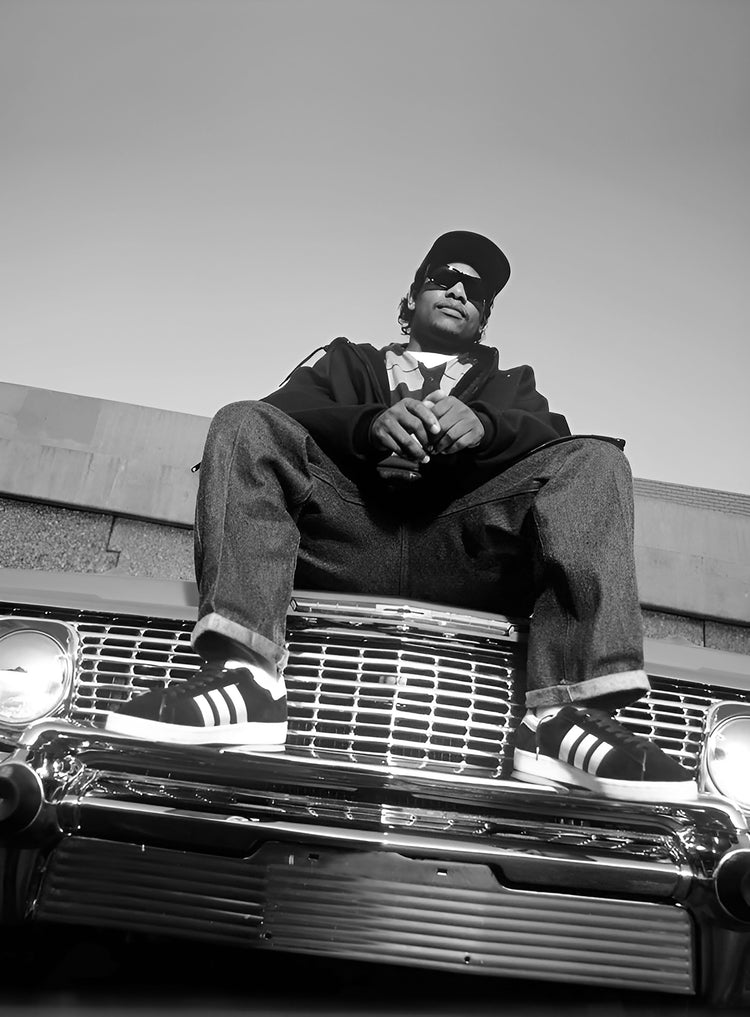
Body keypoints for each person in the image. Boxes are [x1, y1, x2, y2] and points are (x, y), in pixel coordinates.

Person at [105, 230, 697, 803]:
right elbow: (282, 413)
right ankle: (248, 680)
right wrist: (366, 427)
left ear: (484, 318)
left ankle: (562, 718)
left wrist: (487, 429)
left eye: (478, 293)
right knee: (243, 420)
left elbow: (551, 437)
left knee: (597, 459)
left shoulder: (513, 385)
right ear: (409, 300)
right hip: (347, 537)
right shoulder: (345, 361)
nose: (461, 292)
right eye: (446, 279)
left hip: (464, 548)